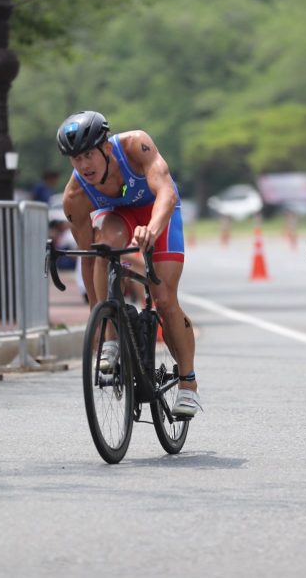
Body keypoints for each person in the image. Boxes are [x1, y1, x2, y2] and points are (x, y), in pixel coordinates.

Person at [56, 110, 201, 418]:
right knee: (103, 244)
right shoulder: (75, 196)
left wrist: (153, 228)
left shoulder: (136, 146)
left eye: (87, 155)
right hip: (118, 221)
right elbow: (87, 258)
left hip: (158, 214)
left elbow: (166, 192)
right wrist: (98, 316)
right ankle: (112, 338)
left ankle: (188, 384)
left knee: (163, 299)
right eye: (75, 159)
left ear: (106, 147)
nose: (83, 166)